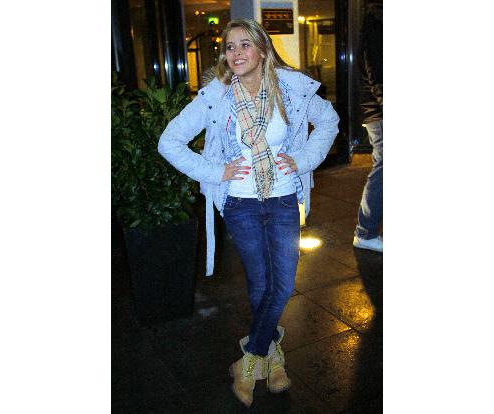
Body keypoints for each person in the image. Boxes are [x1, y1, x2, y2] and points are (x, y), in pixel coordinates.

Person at [158, 19, 339, 407]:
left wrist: (304, 159)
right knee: (260, 285)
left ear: (262, 49)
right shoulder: (216, 96)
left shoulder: (290, 89)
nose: (236, 53)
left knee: (283, 285)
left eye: (244, 45)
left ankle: (250, 359)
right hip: (240, 202)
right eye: (229, 46)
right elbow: (169, 142)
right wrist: (216, 171)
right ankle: (272, 359)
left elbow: (329, 120)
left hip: (283, 198)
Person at [353, 2, 383, 253]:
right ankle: (365, 232)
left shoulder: (375, 22)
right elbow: (378, 75)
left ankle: (366, 231)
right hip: (379, 113)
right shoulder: (377, 25)